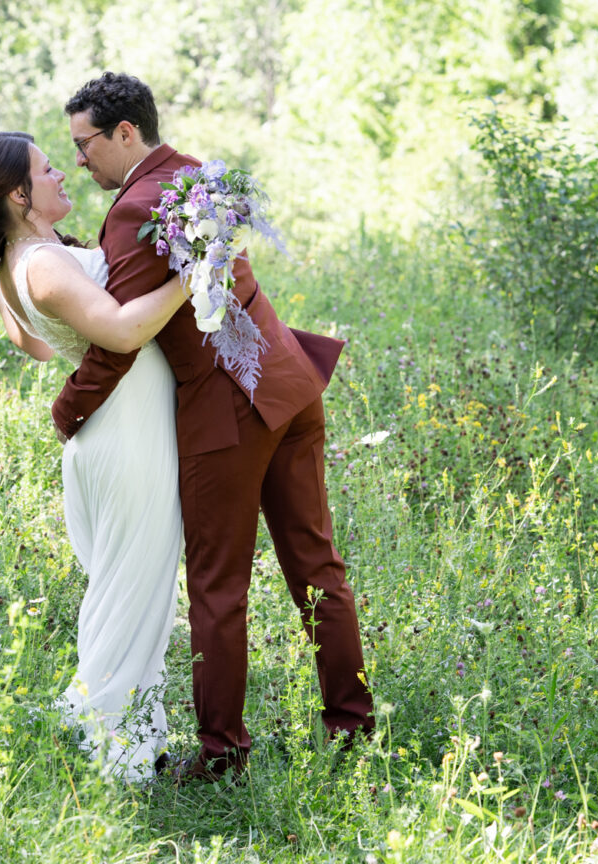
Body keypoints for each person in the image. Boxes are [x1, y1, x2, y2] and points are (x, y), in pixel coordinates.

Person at [51, 72, 374, 782]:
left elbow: (119, 338)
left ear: (125, 133)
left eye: (84, 144)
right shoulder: (195, 175)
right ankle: (352, 727)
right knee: (317, 569)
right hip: (288, 381)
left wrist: (69, 409)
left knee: (216, 587)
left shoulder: (136, 206)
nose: (78, 159)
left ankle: (224, 755)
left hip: (227, 412)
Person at [0, 131, 186, 782]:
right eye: (48, 170)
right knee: (132, 594)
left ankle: (106, 725)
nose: (62, 175)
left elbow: (43, 347)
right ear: (21, 195)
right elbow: (126, 330)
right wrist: (197, 276)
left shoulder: (29, 258)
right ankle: (118, 757)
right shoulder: (42, 265)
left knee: (128, 592)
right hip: (127, 437)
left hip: (115, 431)